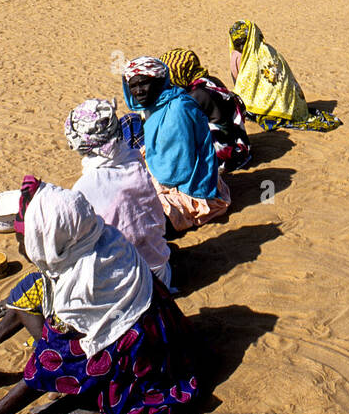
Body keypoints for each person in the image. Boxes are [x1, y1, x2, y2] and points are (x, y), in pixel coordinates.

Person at [0, 180, 199, 414]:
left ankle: (89, 397)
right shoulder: (95, 239)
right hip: (145, 326)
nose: (18, 245)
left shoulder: (82, 289)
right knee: (28, 288)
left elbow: (45, 367)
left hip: (143, 356)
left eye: (23, 238)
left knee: (57, 356)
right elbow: (30, 298)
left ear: (49, 239)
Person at [65, 98, 171, 286]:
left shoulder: (84, 188)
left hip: (126, 285)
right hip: (160, 271)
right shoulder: (135, 163)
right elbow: (158, 224)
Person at [122, 57, 231, 231]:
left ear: (158, 81)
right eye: (133, 86)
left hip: (191, 185)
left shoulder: (178, 109)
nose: (138, 91)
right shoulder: (155, 106)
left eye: (143, 84)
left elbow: (177, 171)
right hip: (167, 171)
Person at [228, 20, 342, 131]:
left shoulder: (245, 57)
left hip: (275, 107)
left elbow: (241, 86)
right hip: (291, 106)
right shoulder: (269, 51)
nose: (239, 45)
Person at [160, 48, 251, 173]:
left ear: (178, 72)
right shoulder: (210, 80)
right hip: (239, 144)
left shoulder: (196, 95)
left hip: (225, 155)